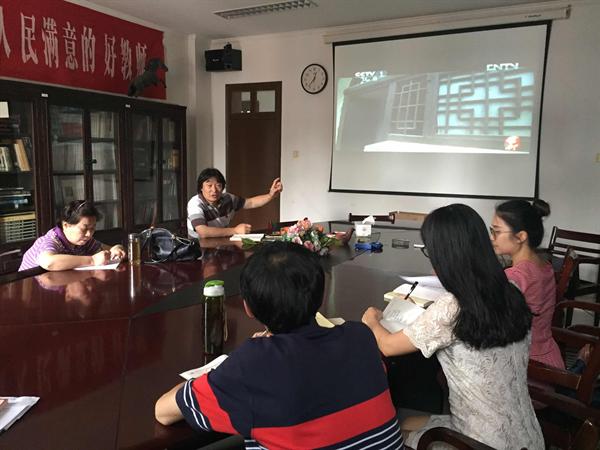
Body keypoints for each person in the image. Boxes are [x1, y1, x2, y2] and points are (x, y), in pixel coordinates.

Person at [155, 241, 404, 449]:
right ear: (321, 296)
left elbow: (163, 411)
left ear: (248, 308)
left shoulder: (252, 366)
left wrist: (228, 370)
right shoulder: (361, 337)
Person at [362, 204, 543, 450]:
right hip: (529, 437)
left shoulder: (454, 307)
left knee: (396, 431)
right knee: (410, 420)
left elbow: (388, 346)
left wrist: (372, 320)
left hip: (478, 443)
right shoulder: (512, 290)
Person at [491, 199, 564, 369]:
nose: (491, 237)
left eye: (496, 231)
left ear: (521, 236)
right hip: (550, 358)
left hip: (528, 367)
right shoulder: (544, 265)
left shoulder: (515, 276)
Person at [19, 200, 126, 271]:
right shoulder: (51, 240)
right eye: (84, 228)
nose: (89, 234)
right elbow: (48, 262)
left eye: (92, 228)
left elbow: (110, 249)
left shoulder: (84, 241)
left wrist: (117, 248)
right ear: (66, 225)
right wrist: (92, 260)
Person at [187, 168, 283, 239]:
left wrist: (270, 195)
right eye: (209, 185)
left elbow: (250, 202)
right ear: (201, 187)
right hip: (199, 250)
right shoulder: (195, 204)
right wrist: (235, 230)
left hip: (221, 244)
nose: (214, 190)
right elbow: (203, 232)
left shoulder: (228, 198)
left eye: (218, 185)